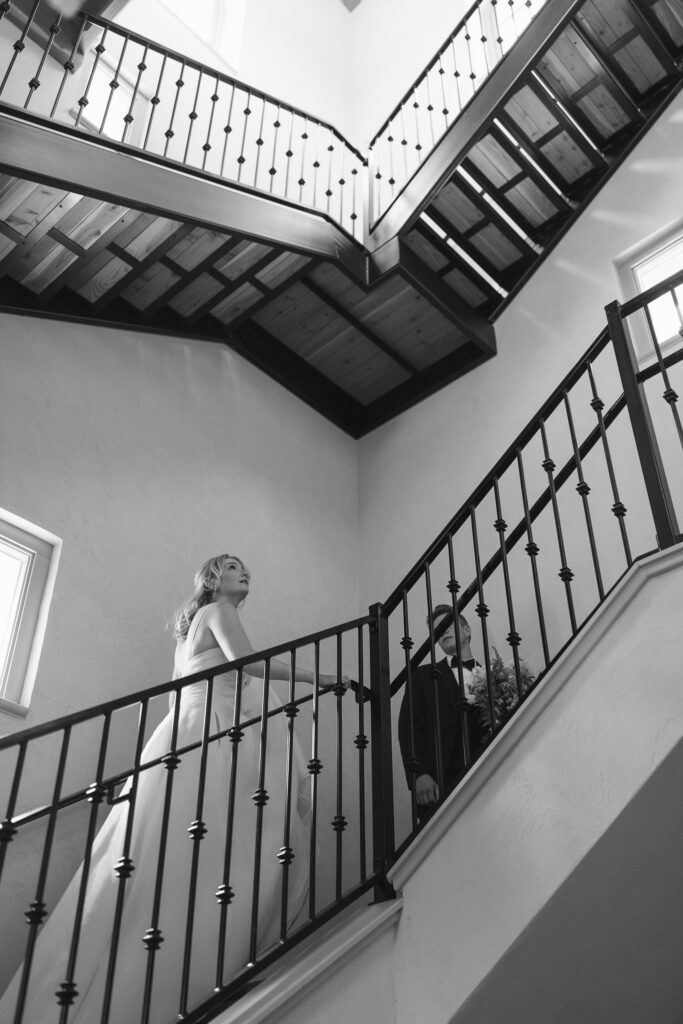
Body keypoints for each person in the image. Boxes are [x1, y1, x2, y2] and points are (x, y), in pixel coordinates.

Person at [0, 553, 348, 1024]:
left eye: (246, 568)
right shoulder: (220, 611)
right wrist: (319, 677)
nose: (244, 573)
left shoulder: (190, 630)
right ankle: (208, 963)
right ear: (212, 579)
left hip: (182, 730)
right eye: (232, 567)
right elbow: (251, 664)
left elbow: (175, 692)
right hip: (216, 731)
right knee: (233, 847)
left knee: (169, 855)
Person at [398, 603, 485, 825]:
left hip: (487, 778)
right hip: (439, 787)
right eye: (438, 630)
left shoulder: (494, 677)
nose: (443, 631)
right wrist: (418, 775)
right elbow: (408, 729)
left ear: (467, 630)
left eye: (449, 624)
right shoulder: (421, 677)